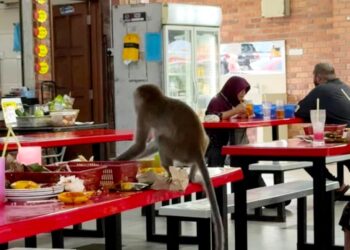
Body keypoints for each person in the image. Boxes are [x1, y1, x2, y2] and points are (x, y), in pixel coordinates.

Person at [295, 62, 350, 196]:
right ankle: (336, 186)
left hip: (343, 138)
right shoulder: (346, 88)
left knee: (302, 153)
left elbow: (299, 111)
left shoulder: (321, 89)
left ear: (318, 77)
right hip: (345, 137)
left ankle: (333, 185)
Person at [205, 76, 265, 189]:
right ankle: (223, 198)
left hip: (236, 143)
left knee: (250, 159)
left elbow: (234, 117)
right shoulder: (217, 101)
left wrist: (243, 115)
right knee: (239, 157)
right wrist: (235, 111)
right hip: (218, 145)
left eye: (245, 91)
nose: (243, 93)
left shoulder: (236, 102)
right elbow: (210, 118)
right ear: (232, 89)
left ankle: (256, 194)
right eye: (241, 90)